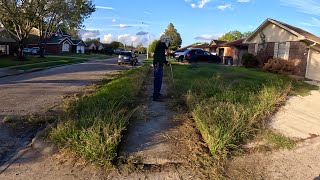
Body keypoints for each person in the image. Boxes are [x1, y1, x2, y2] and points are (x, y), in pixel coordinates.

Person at [153, 35, 170, 101]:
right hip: (157, 64)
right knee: (157, 80)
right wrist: (168, 42)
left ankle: (157, 94)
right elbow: (166, 46)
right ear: (164, 39)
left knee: (159, 80)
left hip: (160, 64)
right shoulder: (160, 43)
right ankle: (155, 97)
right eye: (167, 40)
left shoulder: (162, 47)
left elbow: (162, 56)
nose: (167, 41)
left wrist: (166, 62)